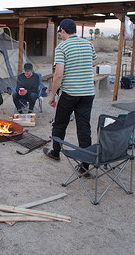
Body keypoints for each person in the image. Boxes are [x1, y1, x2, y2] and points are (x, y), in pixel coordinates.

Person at [43, 19, 97, 178]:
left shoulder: (62, 47)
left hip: (69, 93)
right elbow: (92, 62)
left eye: (60, 31)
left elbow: (58, 74)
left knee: (59, 123)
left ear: (63, 31)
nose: (60, 34)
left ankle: (55, 152)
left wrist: (52, 95)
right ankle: (85, 165)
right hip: (88, 93)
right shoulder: (88, 45)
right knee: (84, 127)